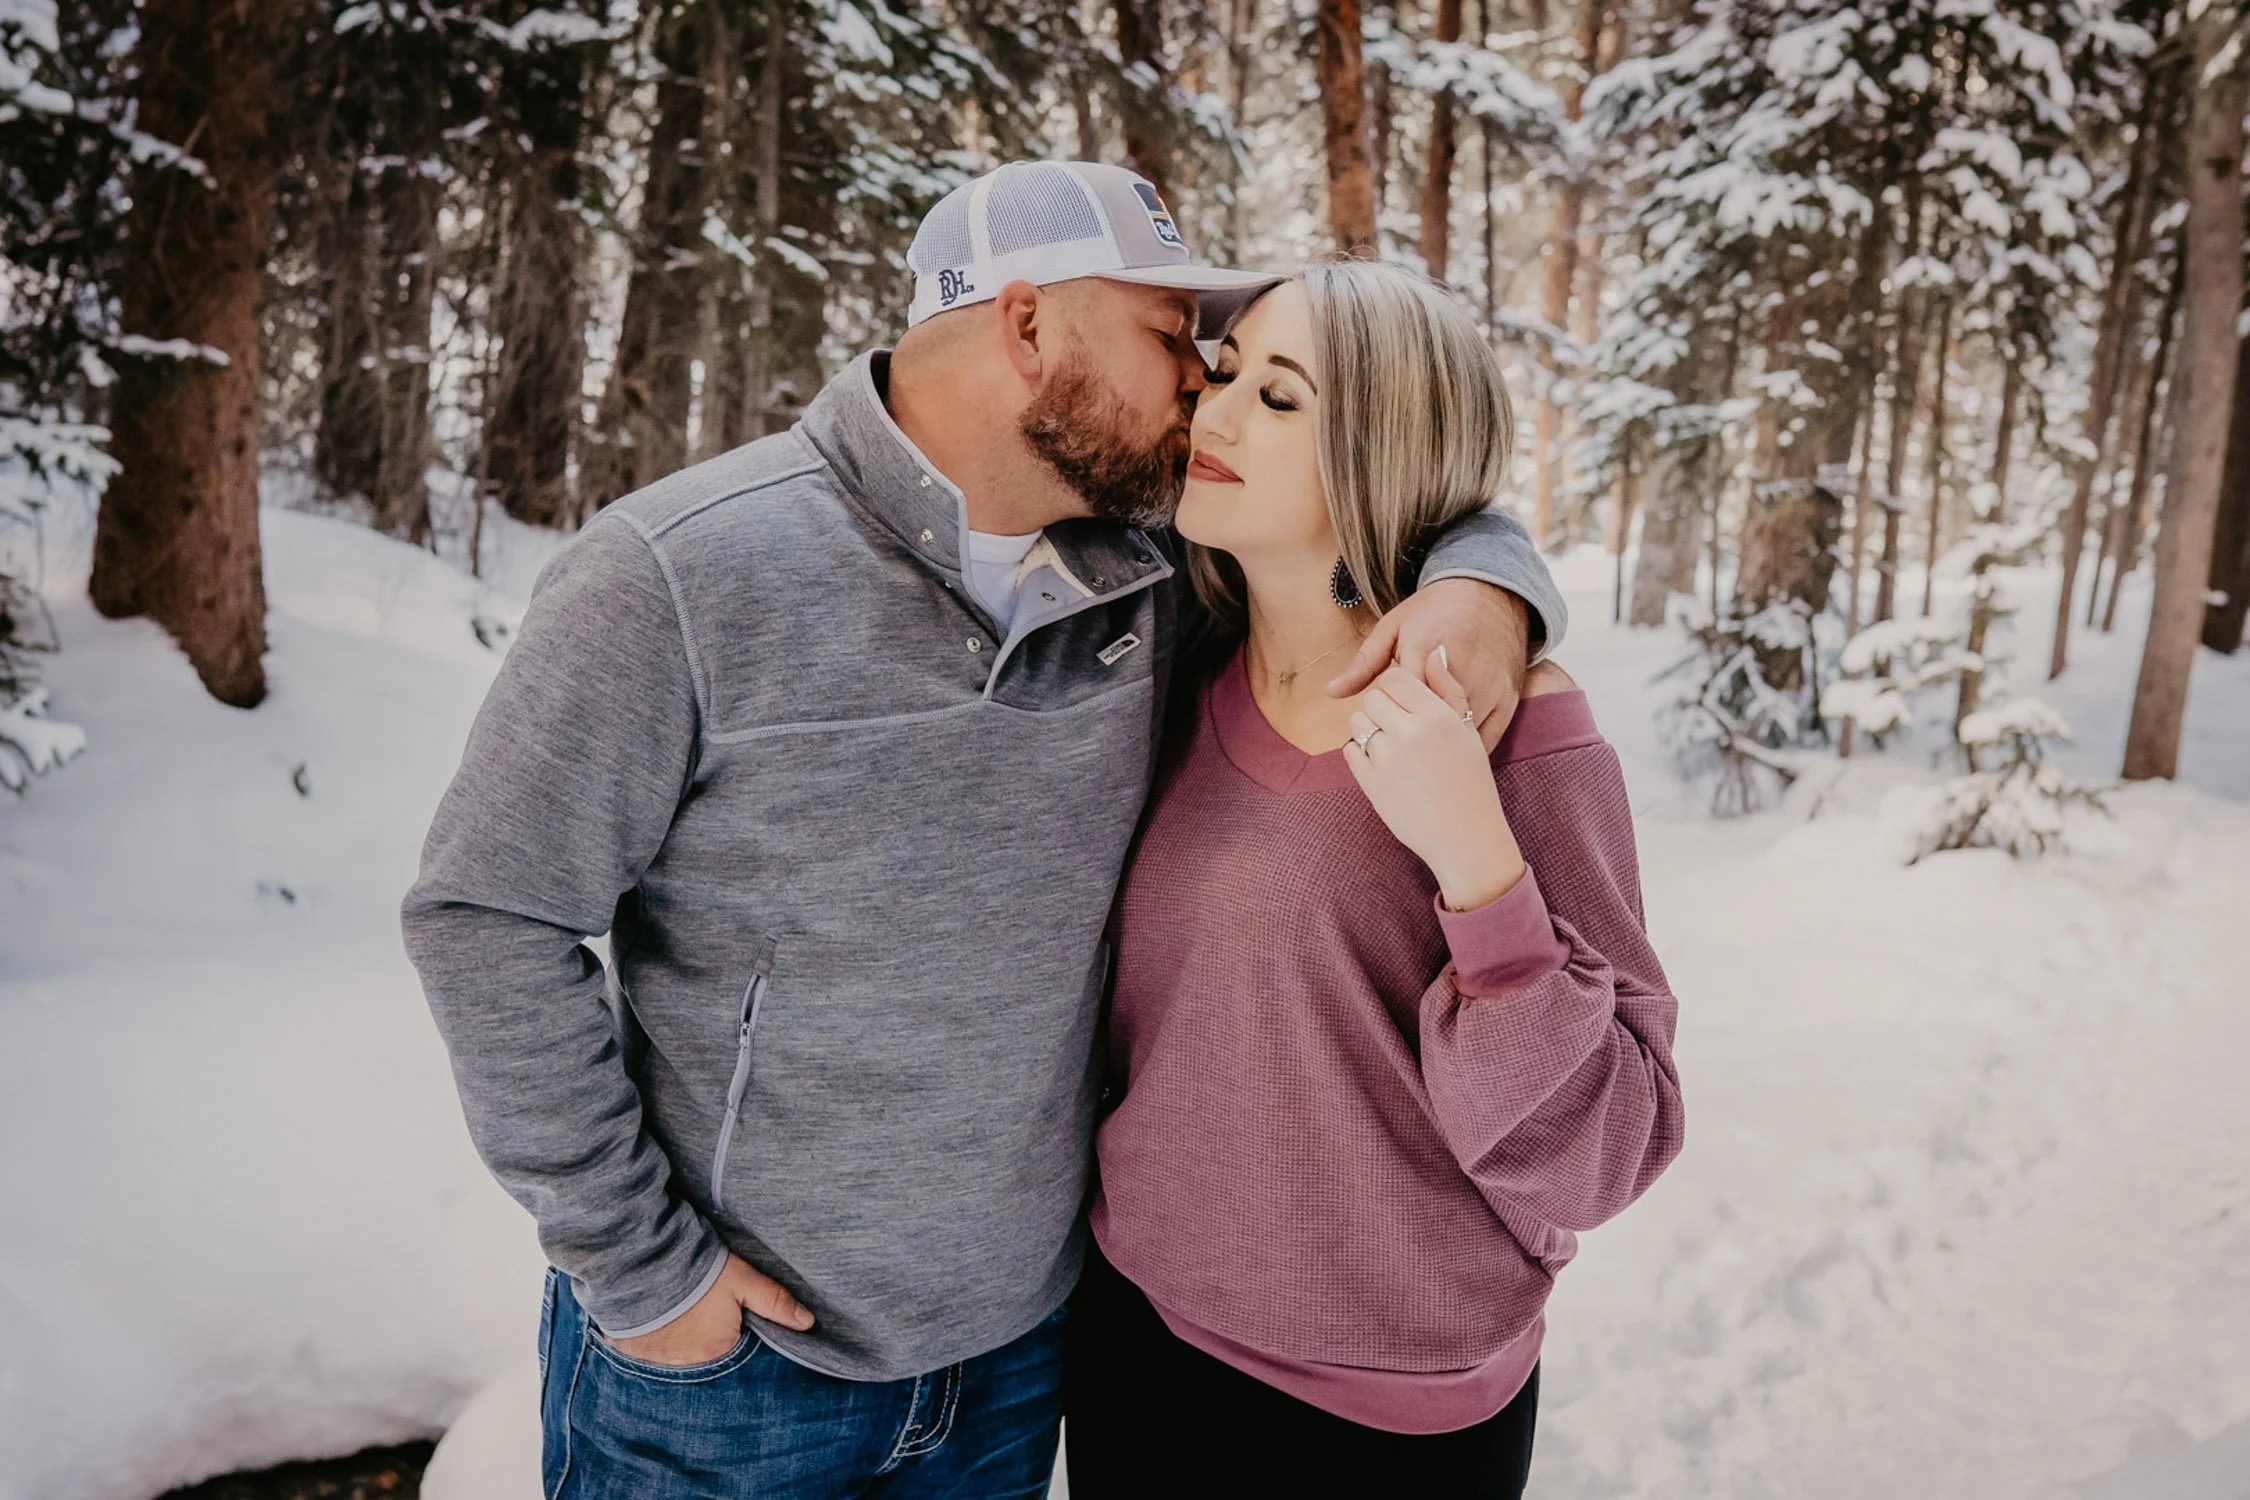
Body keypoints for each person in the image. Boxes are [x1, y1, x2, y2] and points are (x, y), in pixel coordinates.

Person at [400, 162, 1568, 1499]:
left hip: (1017, 1362)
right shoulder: (678, 574)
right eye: (1164, 333)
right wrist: (639, 1271)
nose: (1199, 381)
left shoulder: (1157, 576)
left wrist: (1490, 588)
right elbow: (489, 918)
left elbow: (1388, 493)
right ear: (1026, 326)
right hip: (734, 1376)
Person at [1062, 261, 1686, 1497]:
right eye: (1226, 374)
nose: (1217, 415)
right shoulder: (1176, 673)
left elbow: (1612, 1150)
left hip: (1391, 1416)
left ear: (1385, 446)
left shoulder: (1516, 733)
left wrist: (1477, 865)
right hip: (1136, 1337)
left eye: (1280, 400)